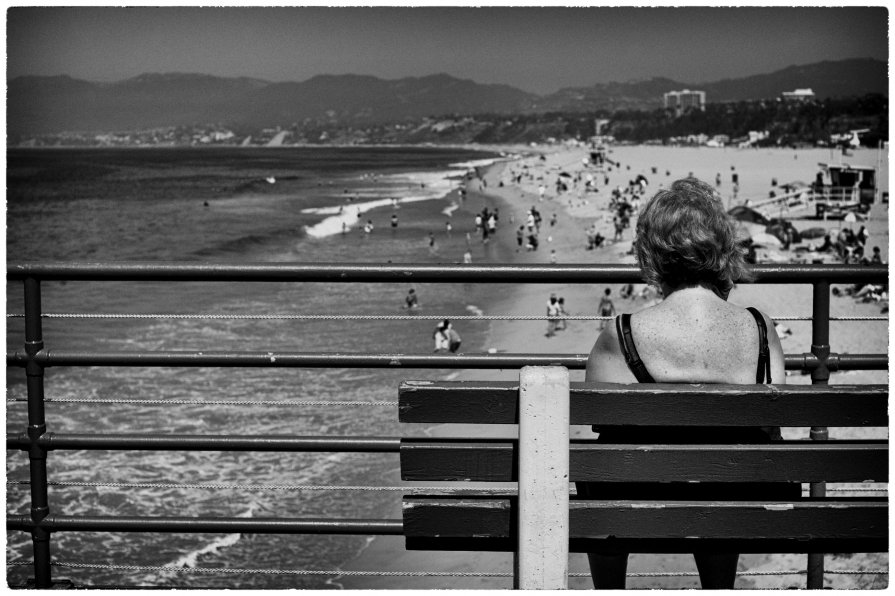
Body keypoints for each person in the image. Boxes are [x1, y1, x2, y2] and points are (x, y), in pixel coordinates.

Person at [578, 178, 797, 589]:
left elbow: (604, 438)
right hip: (739, 504)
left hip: (640, 510)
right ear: (721, 249)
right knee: (727, 467)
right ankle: (718, 587)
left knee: (598, 475)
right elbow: (772, 427)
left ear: (652, 253)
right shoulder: (759, 327)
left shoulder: (621, 333)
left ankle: (609, 589)